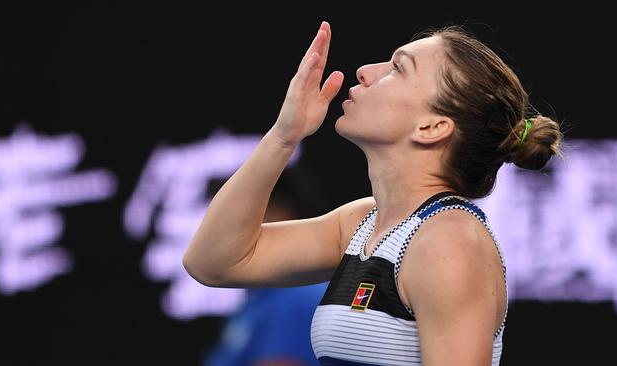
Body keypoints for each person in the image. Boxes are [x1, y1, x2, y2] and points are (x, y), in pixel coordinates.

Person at [184, 21, 563, 366]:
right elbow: (214, 262)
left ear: (432, 126)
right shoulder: (361, 224)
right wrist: (284, 136)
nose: (366, 71)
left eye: (398, 68)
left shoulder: (448, 240)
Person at [202, 167, 329, 366]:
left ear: (276, 216)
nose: (221, 227)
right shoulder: (261, 298)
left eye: (231, 214)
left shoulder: (298, 297)